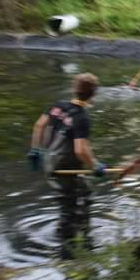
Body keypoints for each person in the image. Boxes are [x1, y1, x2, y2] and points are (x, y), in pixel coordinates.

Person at [28, 73, 106, 206]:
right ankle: (77, 224)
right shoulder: (82, 118)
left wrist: (35, 150)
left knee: (84, 194)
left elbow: (39, 125)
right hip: (65, 168)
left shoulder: (58, 105)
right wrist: (94, 167)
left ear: (74, 88)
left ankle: (81, 222)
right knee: (71, 204)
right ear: (93, 94)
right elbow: (80, 150)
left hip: (49, 161)